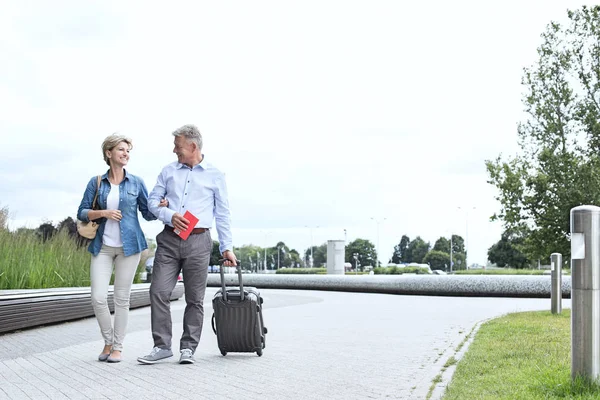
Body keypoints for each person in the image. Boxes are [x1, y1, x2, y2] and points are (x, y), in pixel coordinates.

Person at [138, 124, 237, 365]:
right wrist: (169, 215)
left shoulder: (215, 175)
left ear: (193, 146)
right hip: (170, 239)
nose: (174, 151)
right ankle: (162, 346)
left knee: (194, 298)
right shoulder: (168, 171)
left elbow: (222, 213)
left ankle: (188, 348)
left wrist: (227, 247)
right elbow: (152, 202)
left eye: (178, 146)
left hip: (199, 240)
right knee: (158, 291)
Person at [77, 134, 160, 363]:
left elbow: (147, 213)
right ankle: (108, 341)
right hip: (102, 246)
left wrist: (159, 205)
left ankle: (117, 348)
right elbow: (82, 212)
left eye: (128, 150)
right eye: (121, 149)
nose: (126, 154)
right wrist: (104, 213)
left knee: (122, 299)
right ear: (109, 153)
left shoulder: (136, 182)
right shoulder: (96, 182)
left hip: (130, 246)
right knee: (98, 298)